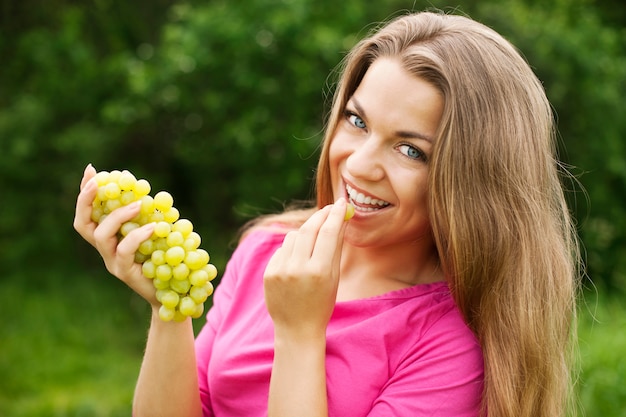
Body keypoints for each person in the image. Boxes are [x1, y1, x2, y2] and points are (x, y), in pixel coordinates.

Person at [73, 10, 580, 417]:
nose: (358, 164)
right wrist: (170, 308)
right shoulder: (267, 250)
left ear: (474, 183)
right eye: (357, 121)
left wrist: (299, 333)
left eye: (410, 150)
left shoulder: (455, 348)